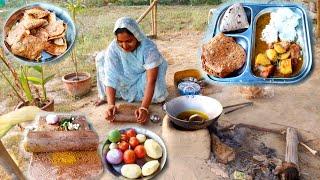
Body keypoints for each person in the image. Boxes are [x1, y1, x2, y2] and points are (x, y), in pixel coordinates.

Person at [95, 17, 168, 124]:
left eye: (129, 41)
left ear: (137, 36)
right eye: (120, 42)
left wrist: (144, 108)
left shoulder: (148, 48)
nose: (124, 46)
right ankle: (109, 97)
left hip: (142, 80)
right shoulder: (113, 48)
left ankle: (150, 98)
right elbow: (111, 77)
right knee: (101, 58)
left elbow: (151, 80)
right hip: (124, 79)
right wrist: (111, 105)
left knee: (159, 65)